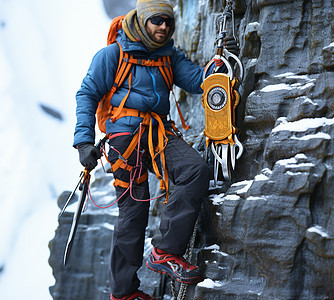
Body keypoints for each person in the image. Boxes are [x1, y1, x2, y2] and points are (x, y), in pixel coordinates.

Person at [73, 1, 238, 299]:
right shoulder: (113, 54)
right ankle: (124, 293)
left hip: (158, 133)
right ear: (143, 21)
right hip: (125, 139)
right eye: (157, 21)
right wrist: (84, 142)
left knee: (194, 171)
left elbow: (195, 80)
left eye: (168, 22)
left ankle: (165, 252)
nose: (163, 27)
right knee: (133, 213)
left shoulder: (168, 56)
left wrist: (216, 67)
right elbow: (87, 93)